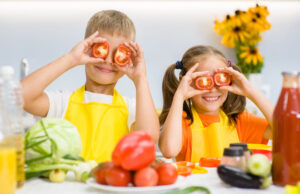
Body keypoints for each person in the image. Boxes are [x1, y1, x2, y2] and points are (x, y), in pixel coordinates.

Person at [21, 10, 159, 163]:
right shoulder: (62, 102)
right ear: (86, 47)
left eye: (119, 53)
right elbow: (21, 96)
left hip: (111, 185)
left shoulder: (132, 108)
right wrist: (71, 59)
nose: (108, 60)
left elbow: (148, 138)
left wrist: (140, 79)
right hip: (67, 187)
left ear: (128, 58)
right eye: (101, 49)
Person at [158, 45, 273, 162]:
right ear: (185, 81)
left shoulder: (239, 120)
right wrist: (179, 95)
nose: (212, 89)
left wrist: (251, 91)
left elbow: (285, 129)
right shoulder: (180, 121)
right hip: (195, 181)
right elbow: (169, 150)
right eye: (202, 80)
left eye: (221, 79)